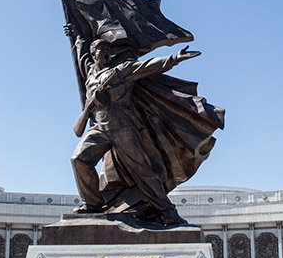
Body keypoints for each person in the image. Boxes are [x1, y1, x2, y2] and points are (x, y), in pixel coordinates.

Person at [70, 37, 200, 226]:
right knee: (79, 160)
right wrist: (78, 39)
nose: (106, 53)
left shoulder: (120, 71)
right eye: (102, 50)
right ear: (94, 54)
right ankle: (93, 203)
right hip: (98, 127)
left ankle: (168, 212)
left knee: (142, 170)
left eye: (108, 49)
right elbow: (82, 58)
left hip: (122, 127)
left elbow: (147, 66)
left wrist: (174, 58)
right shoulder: (90, 74)